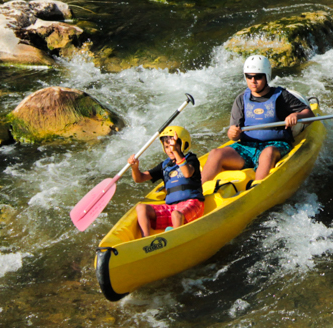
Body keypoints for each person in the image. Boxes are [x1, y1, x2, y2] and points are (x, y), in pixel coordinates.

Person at [201, 54, 314, 183]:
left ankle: (257, 187)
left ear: (266, 76)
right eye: (249, 76)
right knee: (216, 154)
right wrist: (233, 133)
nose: (253, 81)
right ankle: (197, 191)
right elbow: (233, 136)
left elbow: (309, 114)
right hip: (247, 147)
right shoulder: (241, 99)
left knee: (267, 153)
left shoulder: (282, 96)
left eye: (258, 77)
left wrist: (296, 115)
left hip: (275, 145)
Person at [128, 125, 204, 237]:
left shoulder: (191, 159)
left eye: (174, 146)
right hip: (172, 208)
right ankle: (146, 239)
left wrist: (176, 152)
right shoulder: (165, 165)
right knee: (141, 208)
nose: (170, 150)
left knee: (176, 215)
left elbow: (187, 173)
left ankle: (174, 239)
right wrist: (134, 168)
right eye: (167, 147)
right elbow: (139, 178)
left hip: (192, 204)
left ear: (183, 145)